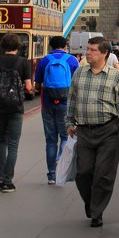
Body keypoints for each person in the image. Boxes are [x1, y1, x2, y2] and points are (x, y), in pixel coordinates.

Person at [65, 36, 119, 227]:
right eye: (88, 49)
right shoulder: (79, 74)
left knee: (104, 174)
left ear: (105, 53)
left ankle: (97, 212)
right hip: (84, 132)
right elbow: (71, 99)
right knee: (83, 173)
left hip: (108, 131)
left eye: (93, 50)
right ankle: (91, 202)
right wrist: (69, 122)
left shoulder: (115, 76)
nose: (88, 52)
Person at [0, 33, 33, 192]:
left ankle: (0, 177)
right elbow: (28, 87)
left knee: (1, 141)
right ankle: (8, 181)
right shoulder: (23, 62)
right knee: (13, 144)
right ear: (18, 46)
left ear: (3, 45)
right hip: (16, 107)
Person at [34, 36, 79, 184]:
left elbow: (37, 84)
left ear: (51, 47)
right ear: (65, 47)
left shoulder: (44, 60)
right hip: (66, 103)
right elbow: (77, 84)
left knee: (51, 140)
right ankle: (61, 164)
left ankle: (51, 175)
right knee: (65, 137)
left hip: (47, 103)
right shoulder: (72, 60)